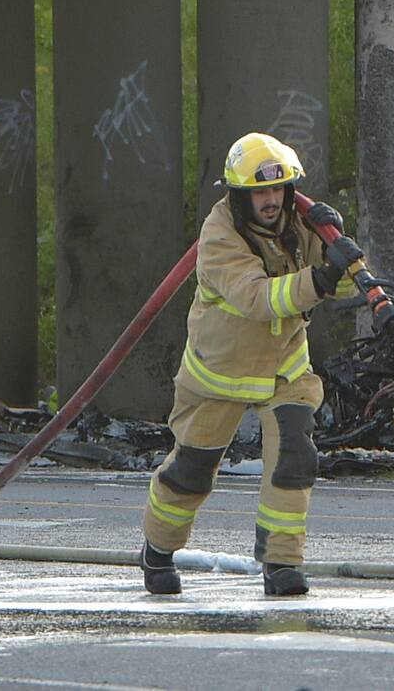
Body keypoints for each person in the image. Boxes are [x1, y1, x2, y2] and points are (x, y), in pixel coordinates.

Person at [140, 131, 361, 596]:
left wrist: (335, 251)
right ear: (238, 195)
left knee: (295, 458)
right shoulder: (218, 236)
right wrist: (322, 277)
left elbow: (337, 289)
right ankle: (157, 551)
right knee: (191, 472)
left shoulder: (297, 221)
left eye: (277, 189)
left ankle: (281, 564)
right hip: (219, 374)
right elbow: (259, 297)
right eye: (259, 191)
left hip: (285, 369)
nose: (270, 200)